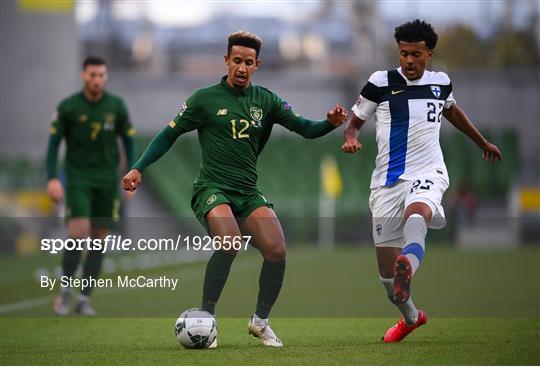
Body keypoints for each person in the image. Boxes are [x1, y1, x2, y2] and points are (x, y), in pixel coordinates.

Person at [123, 31, 347, 348]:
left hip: (247, 192)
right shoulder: (204, 99)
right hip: (211, 188)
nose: (242, 67)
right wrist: (138, 167)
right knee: (229, 242)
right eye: (237, 61)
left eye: (249, 62)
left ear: (257, 65)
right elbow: (167, 135)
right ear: (227, 61)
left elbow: (305, 129)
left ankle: (260, 322)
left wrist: (329, 123)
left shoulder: (266, 100)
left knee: (277, 250)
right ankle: (206, 319)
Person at [341, 20, 501, 342]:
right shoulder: (379, 83)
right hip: (387, 182)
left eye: (416, 54)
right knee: (389, 283)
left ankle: (408, 263)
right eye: (403, 53)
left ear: (429, 53)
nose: (409, 60)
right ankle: (412, 317)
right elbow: (353, 122)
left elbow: (451, 111)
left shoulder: (441, 83)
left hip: (429, 172)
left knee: (417, 215)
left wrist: (481, 141)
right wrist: (350, 138)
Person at [46, 56, 136, 316]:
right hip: (78, 178)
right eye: (92, 75)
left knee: (99, 240)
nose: (96, 79)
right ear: (83, 75)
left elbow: (129, 142)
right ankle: (65, 290)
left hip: (107, 180)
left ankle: (84, 298)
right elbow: (53, 146)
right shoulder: (68, 107)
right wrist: (52, 178)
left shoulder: (116, 106)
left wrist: (132, 172)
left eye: (101, 75)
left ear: (105, 77)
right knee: (78, 231)